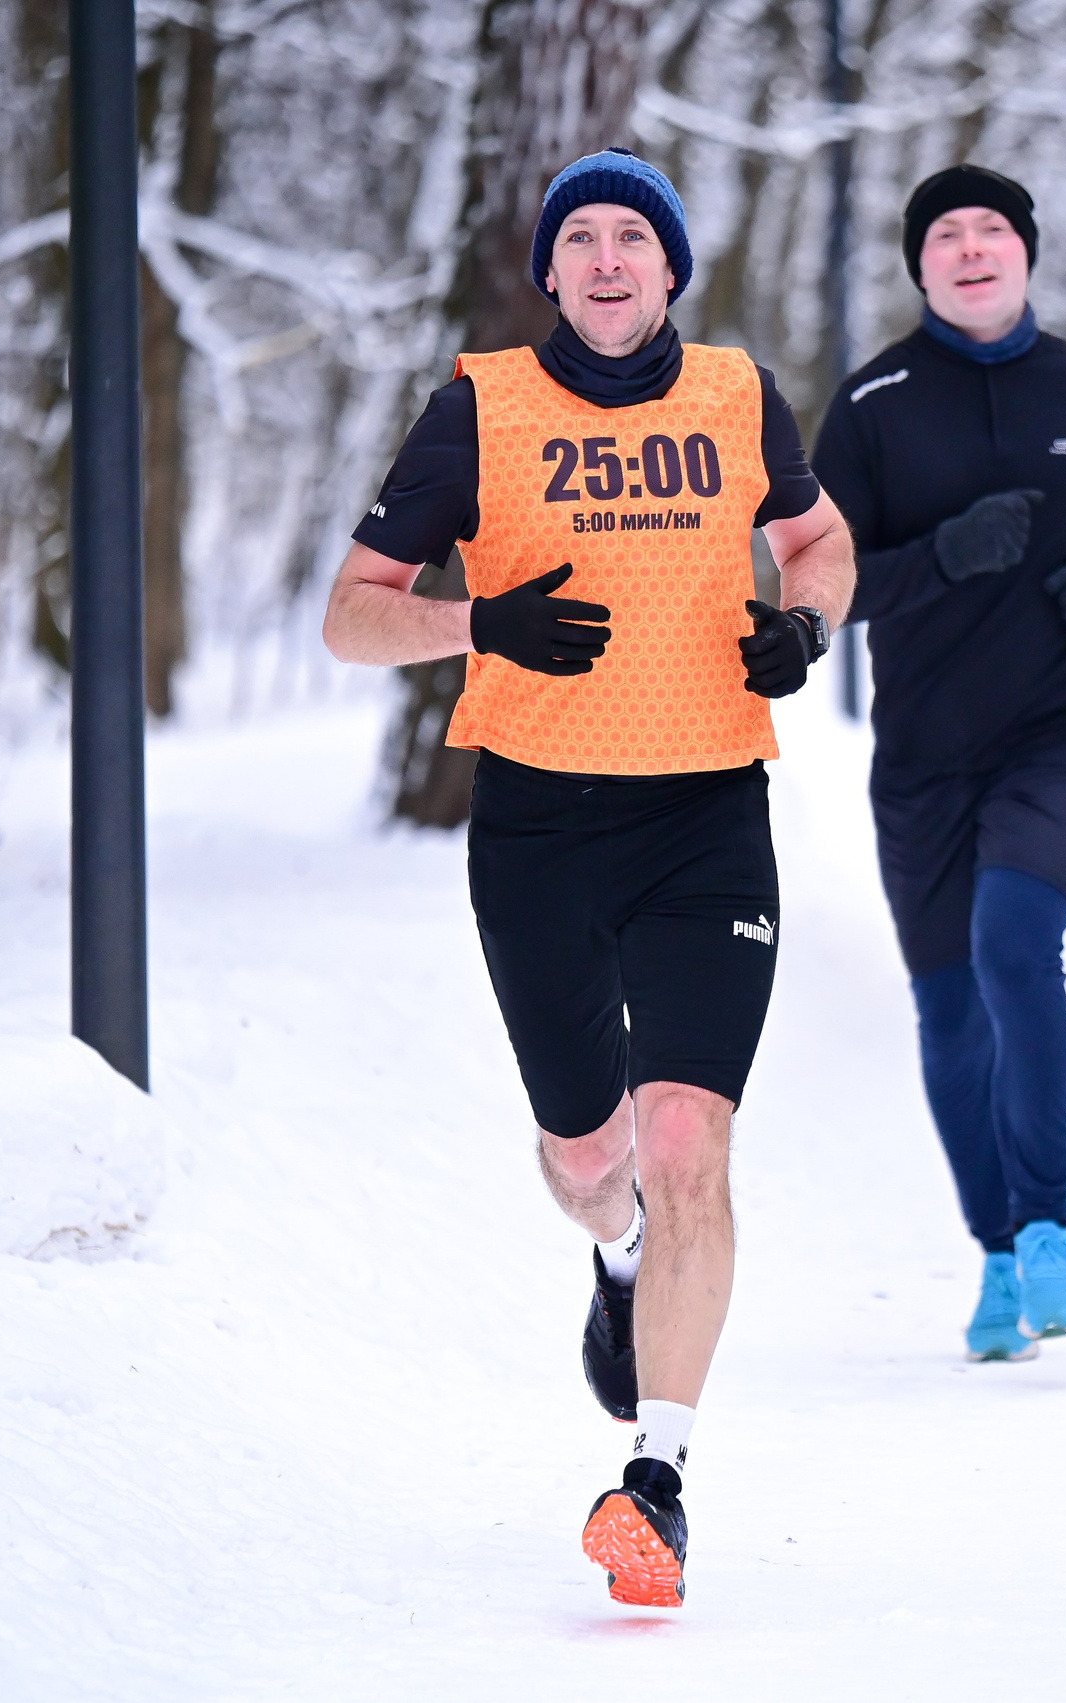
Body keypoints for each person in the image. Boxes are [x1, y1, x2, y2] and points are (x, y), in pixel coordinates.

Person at [320, 148, 855, 1609]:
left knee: (691, 1143)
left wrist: (805, 628)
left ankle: (659, 1480)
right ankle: (617, 1251)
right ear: (549, 273)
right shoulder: (477, 410)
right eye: (584, 240)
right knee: (588, 1155)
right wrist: (477, 621)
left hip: (706, 820)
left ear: (672, 269)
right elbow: (351, 618)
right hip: (540, 827)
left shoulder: (738, 398)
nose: (610, 259)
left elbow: (816, 538)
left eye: (637, 237)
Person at [812, 165, 1066, 1363]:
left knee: (1011, 942)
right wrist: (936, 554)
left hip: (1062, 728)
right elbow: (819, 583)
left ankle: (1048, 1227)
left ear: (1026, 254)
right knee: (947, 1011)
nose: (972, 248)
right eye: (947, 234)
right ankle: (994, 1252)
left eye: (993, 229)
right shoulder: (874, 403)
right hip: (925, 755)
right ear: (919, 264)